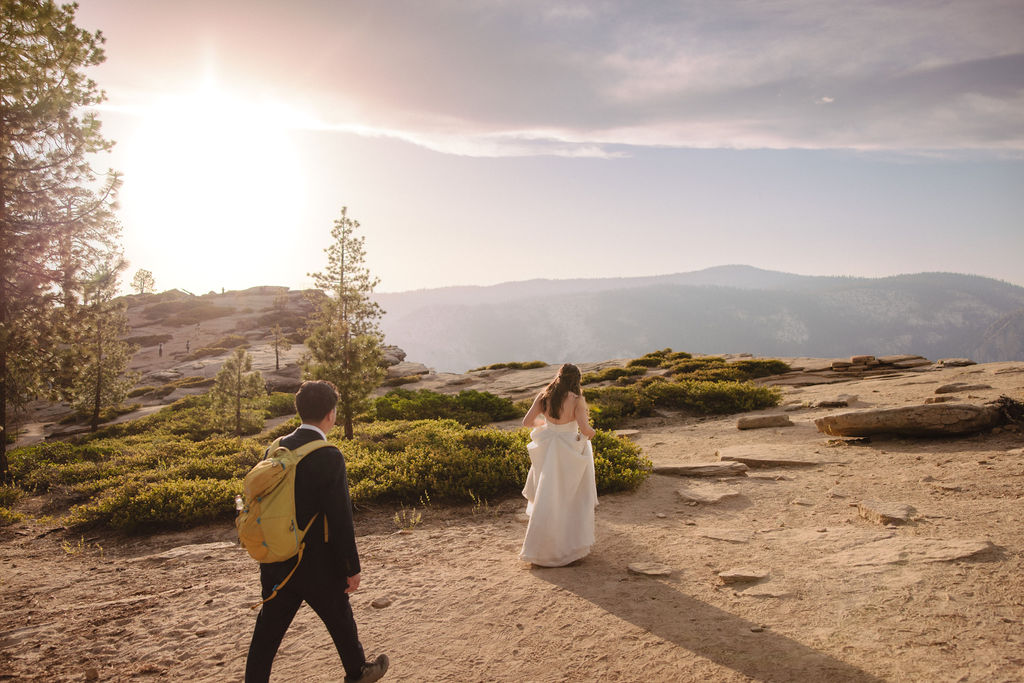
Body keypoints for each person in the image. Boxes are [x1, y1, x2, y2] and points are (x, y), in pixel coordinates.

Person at [245, 380, 389, 683]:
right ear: (331, 415)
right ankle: (358, 671)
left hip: (276, 558)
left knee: (268, 630)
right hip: (317, 563)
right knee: (339, 617)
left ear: (299, 411)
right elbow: (340, 518)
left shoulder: (275, 448)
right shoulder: (328, 454)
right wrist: (351, 567)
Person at [519, 363, 598, 567]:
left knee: (547, 497)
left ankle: (540, 550)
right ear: (576, 379)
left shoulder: (544, 395)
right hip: (568, 450)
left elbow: (527, 422)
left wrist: (547, 426)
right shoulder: (576, 399)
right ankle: (567, 550)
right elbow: (585, 429)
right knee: (571, 500)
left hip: (547, 447)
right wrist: (592, 433)